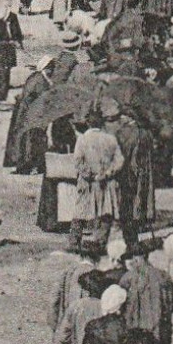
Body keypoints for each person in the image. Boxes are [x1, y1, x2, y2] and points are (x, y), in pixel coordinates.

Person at [71, 107, 124, 258]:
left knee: (81, 211)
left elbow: (78, 161)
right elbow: (119, 161)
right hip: (107, 183)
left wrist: (90, 175)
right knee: (106, 212)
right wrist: (107, 173)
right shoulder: (111, 139)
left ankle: (75, 241)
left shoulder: (82, 140)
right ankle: (100, 242)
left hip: (88, 183)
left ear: (87, 123)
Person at [110, 108, 156, 247]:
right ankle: (141, 235)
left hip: (127, 174)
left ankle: (130, 239)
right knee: (143, 202)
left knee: (127, 206)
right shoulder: (146, 133)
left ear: (127, 117)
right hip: (145, 174)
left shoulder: (122, 133)